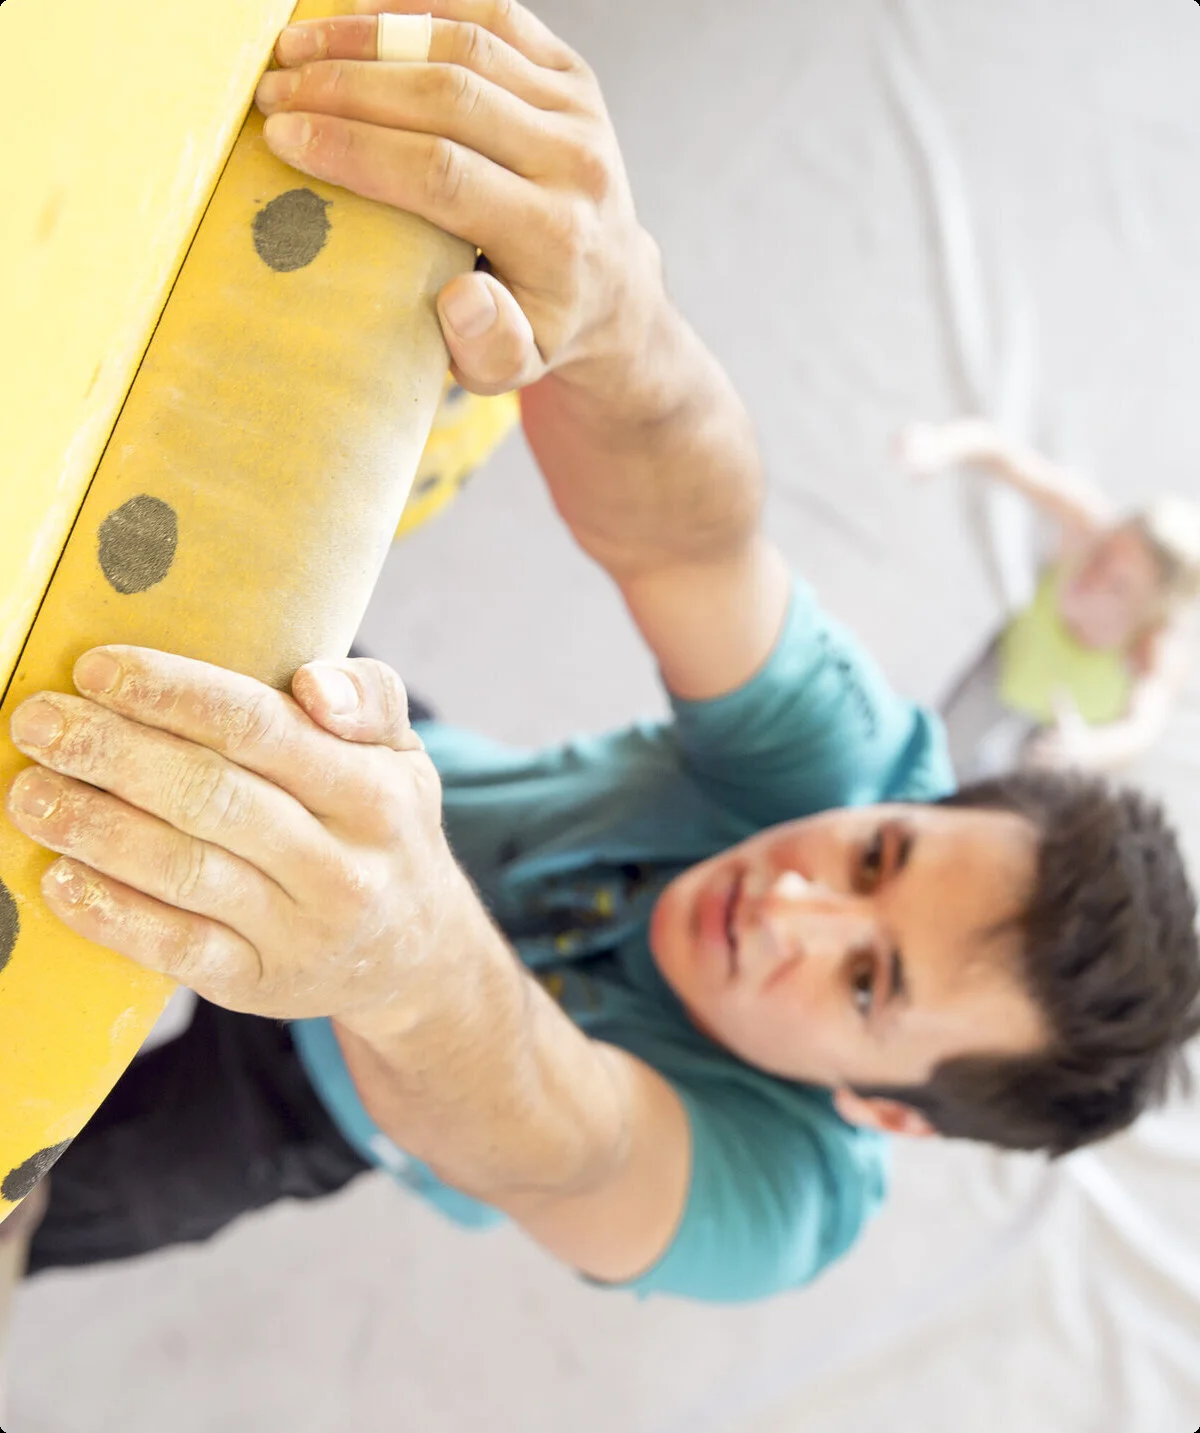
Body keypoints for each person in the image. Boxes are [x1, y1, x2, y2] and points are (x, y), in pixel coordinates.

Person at [3, 1, 1198, 1308]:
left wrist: (399, 956)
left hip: (322, 1090)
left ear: (888, 1111)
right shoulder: (861, 764)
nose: (792, 902)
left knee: (71, 1203)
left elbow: (573, 1142)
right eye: (879, 856)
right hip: (414, 780)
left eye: (868, 981)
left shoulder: (786, 1198)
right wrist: (622, 312)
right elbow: (694, 543)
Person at [897, 419, 1200, 780]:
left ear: (1149, 609)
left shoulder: (1156, 645)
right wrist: (937, 446)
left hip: (1070, 726)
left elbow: (1140, 730)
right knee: (935, 754)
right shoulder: (1087, 525)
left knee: (1013, 797)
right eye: (1103, 553)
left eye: (1119, 584)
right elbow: (1003, 454)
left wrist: (1088, 749)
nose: (1094, 576)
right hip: (1012, 664)